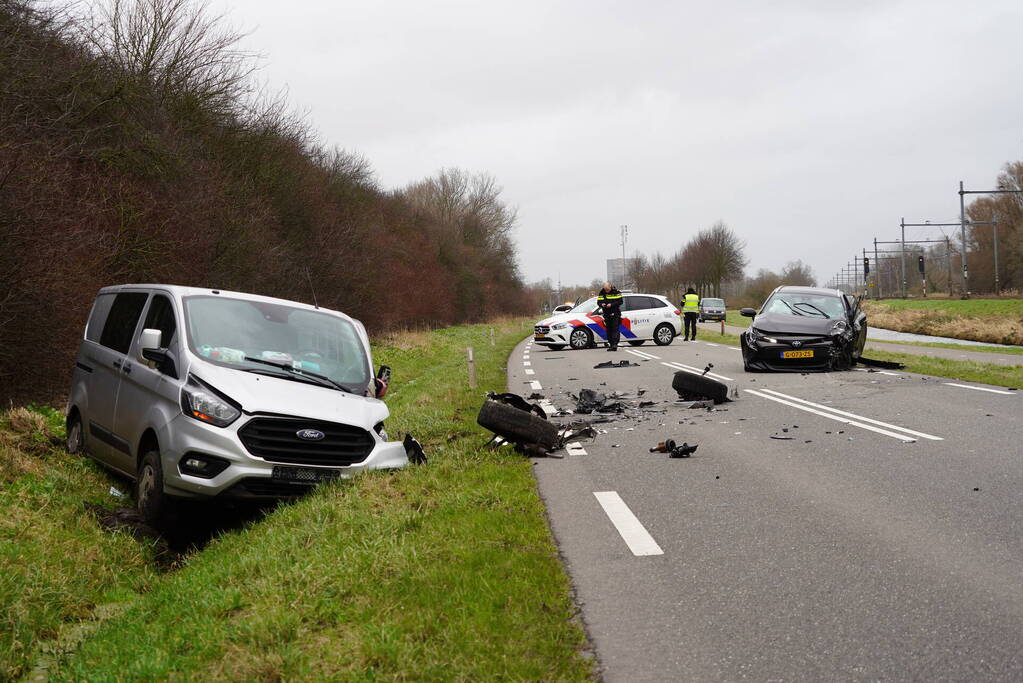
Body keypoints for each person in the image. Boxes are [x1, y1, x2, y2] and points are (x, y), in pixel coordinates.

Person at [597, 282, 623, 351]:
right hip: (606, 314)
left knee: (615, 329)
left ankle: (615, 344)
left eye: (607, 289)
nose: (606, 291)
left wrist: (611, 304)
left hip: (615, 313)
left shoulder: (616, 292)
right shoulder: (602, 293)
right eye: (605, 289)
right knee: (609, 330)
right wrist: (601, 304)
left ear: (610, 287)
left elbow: (620, 302)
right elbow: (598, 302)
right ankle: (611, 345)